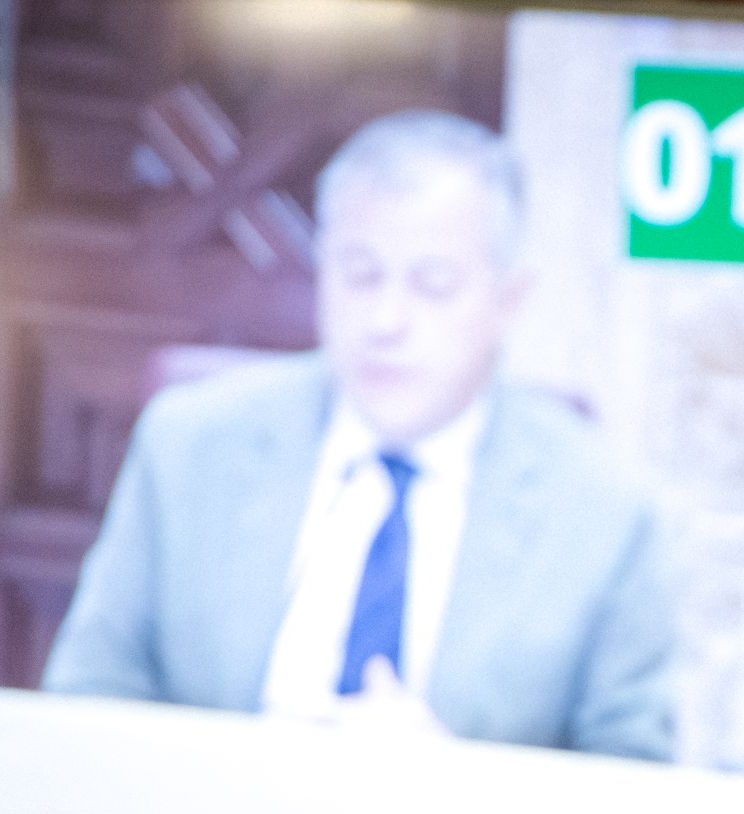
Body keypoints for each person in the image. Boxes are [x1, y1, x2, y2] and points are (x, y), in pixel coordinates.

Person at [43, 110, 674, 760]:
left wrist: (460, 794)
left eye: (433, 285)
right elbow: (88, 696)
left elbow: (634, 788)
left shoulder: (605, 514)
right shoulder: (187, 447)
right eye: (360, 274)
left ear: (508, 301)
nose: (386, 320)